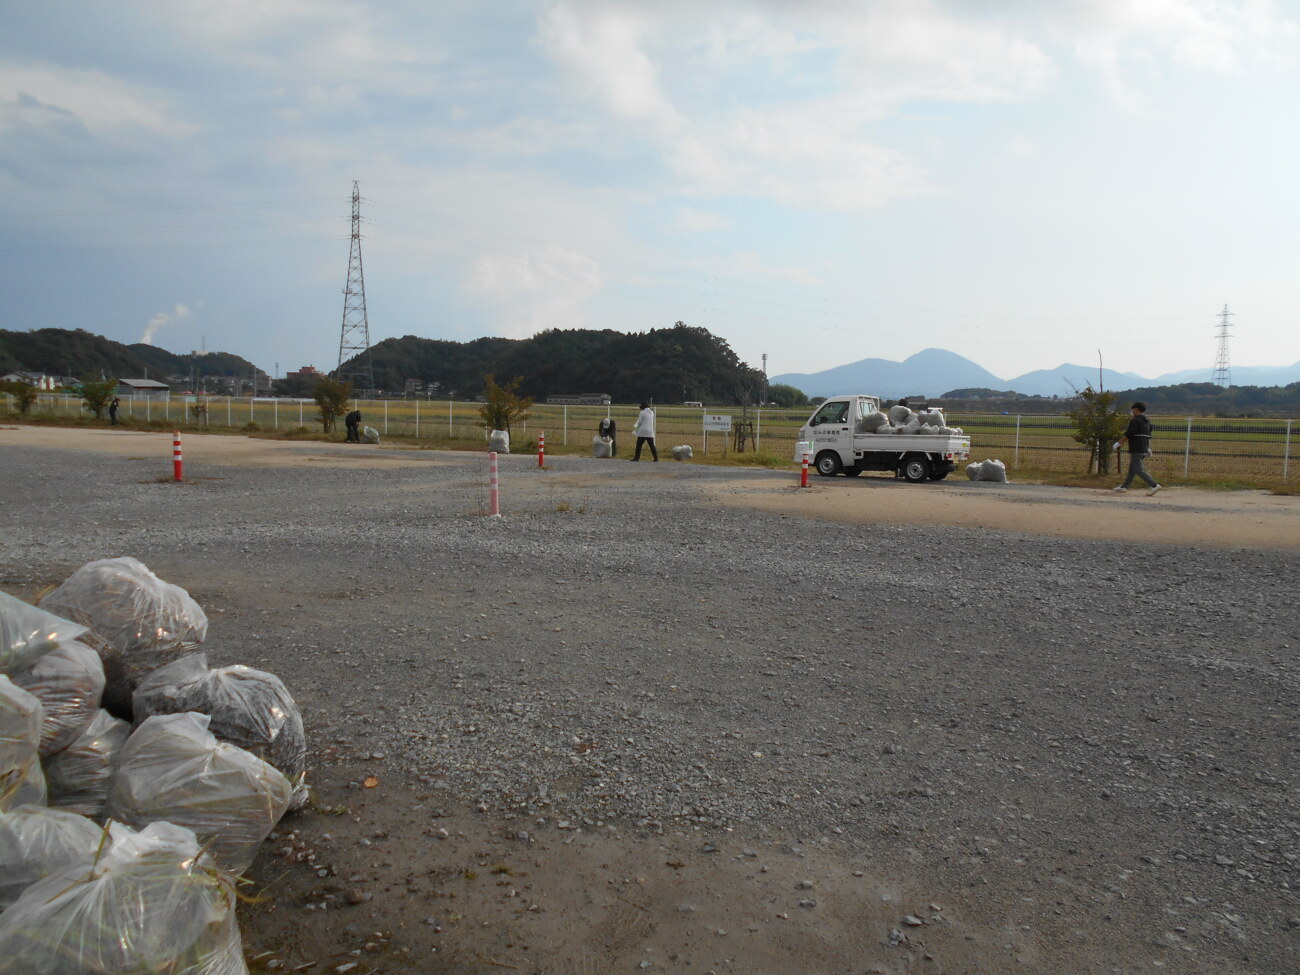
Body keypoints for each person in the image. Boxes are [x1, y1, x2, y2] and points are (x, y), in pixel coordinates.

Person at [1113, 401, 1161, 495]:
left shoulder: (1135, 420)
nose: (1132, 411)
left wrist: (1118, 443)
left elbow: (1129, 434)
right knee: (1132, 469)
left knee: (1138, 469)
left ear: (1136, 409)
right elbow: (1148, 435)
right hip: (1143, 448)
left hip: (1136, 448)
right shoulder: (1147, 421)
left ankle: (1154, 485)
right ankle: (1124, 486)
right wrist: (1148, 448)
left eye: (1132, 409)